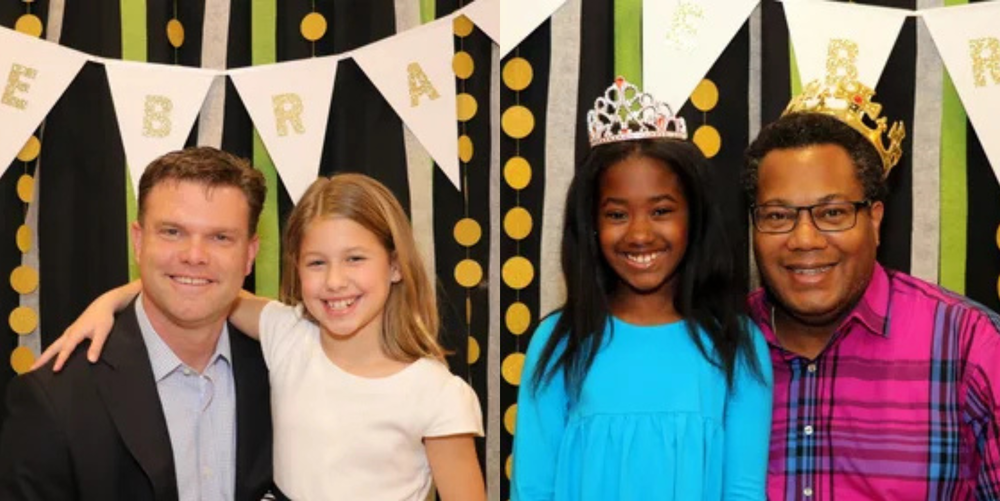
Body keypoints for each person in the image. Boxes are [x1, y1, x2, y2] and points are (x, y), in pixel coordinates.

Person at [37, 173, 486, 500]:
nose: (334, 282)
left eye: (354, 259)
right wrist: (109, 301)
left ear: (394, 265)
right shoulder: (286, 333)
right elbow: (198, 283)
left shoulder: (438, 393)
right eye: (316, 263)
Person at [511, 77, 773, 500]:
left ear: (696, 218)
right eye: (616, 214)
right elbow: (532, 487)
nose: (639, 233)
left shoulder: (736, 344)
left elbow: (743, 490)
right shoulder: (559, 342)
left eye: (661, 210)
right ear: (591, 226)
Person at [744, 79, 1000, 499]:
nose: (804, 239)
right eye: (777, 216)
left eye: (832, 212)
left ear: (875, 219)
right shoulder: (718, 346)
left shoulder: (969, 347)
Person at [0, 147, 273, 500]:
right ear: (138, 241)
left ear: (250, 254)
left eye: (220, 237)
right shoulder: (56, 397)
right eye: (173, 232)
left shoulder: (285, 370)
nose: (194, 255)